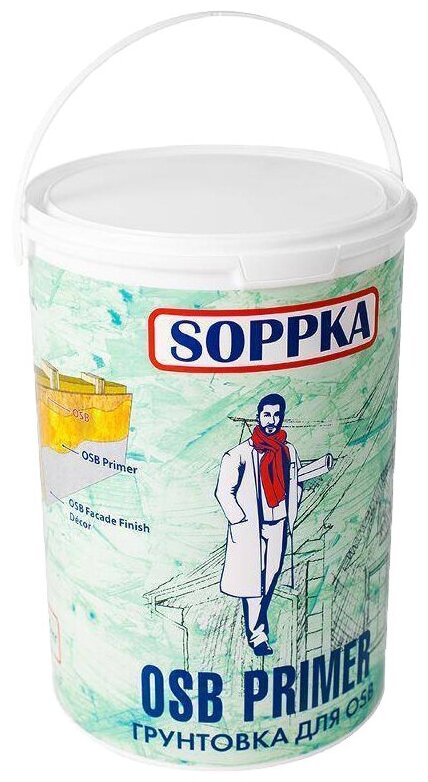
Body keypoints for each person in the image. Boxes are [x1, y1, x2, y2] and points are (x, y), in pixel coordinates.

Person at [215, 393, 332, 656]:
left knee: (269, 578)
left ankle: (257, 627)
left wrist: (291, 511)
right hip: (251, 529)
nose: (272, 420)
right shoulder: (239, 454)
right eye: (267, 414)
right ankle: (257, 635)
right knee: (253, 581)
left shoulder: (288, 450)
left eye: (277, 415)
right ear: (259, 416)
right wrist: (240, 520)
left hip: (278, 524)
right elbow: (224, 492)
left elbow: (295, 483)